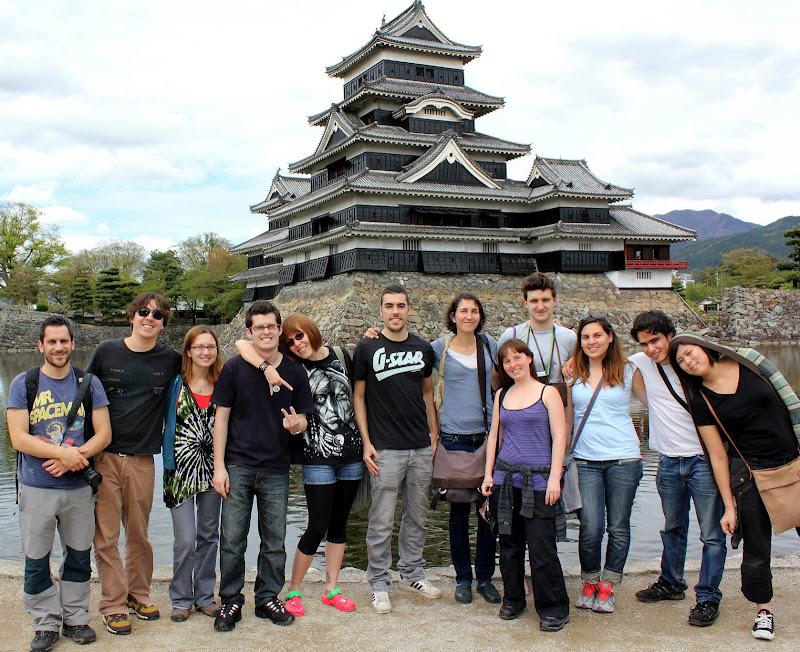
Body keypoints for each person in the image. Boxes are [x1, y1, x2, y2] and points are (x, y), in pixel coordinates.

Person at [670, 333, 800, 641]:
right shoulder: (700, 399)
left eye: (690, 352)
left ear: (705, 347)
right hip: (752, 476)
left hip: (794, 463)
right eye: (681, 362)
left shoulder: (751, 361)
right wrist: (729, 506)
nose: (689, 361)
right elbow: (717, 455)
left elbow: (790, 400)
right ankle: (763, 612)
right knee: (756, 550)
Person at [236, 313, 364, 616]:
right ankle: (294, 588)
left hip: (351, 454)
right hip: (317, 455)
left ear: (311, 331)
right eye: (290, 340)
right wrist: (266, 366)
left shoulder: (342, 356)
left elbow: (359, 399)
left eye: (300, 336)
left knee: (339, 524)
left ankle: (332, 587)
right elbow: (242, 343)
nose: (296, 343)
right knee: (317, 524)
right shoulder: (293, 367)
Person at [6, 316, 112, 651]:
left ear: (72, 344)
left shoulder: (88, 383)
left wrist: (75, 455)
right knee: (36, 557)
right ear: (41, 345)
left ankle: (76, 618)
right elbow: (18, 438)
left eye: (64, 341)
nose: (58, 347)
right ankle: (45, 623)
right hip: (36, 486)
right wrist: (61, 454)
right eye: (51, 341)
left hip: (78, 488)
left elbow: (105, 434)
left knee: (79, 555)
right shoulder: (24, 383)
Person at [211, 300, 313, 632]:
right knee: (232, 539)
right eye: (259, 327)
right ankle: (230, 599)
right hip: (238, 464)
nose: (266, 332)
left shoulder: (296, 371)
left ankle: (268, 596)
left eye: (271, 326)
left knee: (274, 538)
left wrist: (296, 425)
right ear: (249, 332)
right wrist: (219, 467)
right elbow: (221, 420)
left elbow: (304, 421)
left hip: (276, 468)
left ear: (279, 330)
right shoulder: (234, 369)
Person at [87, 292, 182, 635]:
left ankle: (137, 594)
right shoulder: (106, 351)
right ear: (132, 316)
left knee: (139, 533)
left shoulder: (170, 359)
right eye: (144, 312)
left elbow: (211, 361)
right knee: (107, 535)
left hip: (143, 458)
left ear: (163, 324)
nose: (149, 318)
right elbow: (83, 398)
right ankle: (112, 603)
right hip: (105, 457)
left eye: (157, 315)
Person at [628, 312, 726, 627]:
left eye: (655, 340)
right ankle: (671, 582)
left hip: (704, 462)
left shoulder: (693, 361)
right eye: (644, 343)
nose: (651, 348)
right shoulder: (641, 362)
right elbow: (603, 359)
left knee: (712, 533)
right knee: (673, 526)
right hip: (668, 460)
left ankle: (708, 597)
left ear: (671, 335)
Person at [353, 285, 440, 614]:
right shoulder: (367, 347)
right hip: (385, 448)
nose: (395, 311)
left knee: (417, 515)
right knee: (381, 519)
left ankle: (413, 571)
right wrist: (366, 442)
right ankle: (378, 581)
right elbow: (359, 397)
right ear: (381, 310)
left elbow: (428, 394)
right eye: (389, 306)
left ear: (409, 309)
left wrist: (435, 433)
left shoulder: (423, 348)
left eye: (400, 305)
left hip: (420, 445)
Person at [481, 338, 570, 632]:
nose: (513, 364)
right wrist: (488, 475)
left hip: (541, 480)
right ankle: (514, 599)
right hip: (506, 480)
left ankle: (553, 607)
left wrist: (556, 477)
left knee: (542, 548)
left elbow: (560, 437)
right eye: (507, 361)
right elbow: (494, 436)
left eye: (517, 357)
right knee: (508, 546)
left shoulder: (548, 393)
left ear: (529, 359)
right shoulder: (502, 395)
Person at [569, 315, 646, 614]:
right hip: (585, 460)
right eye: (586, 337)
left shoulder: (628, 370)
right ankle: (589, 581)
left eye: (597, 335)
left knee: (618, 526)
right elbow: (566, 414)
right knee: (590, 526)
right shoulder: (572, 370)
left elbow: (656, 402)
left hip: (624, 458)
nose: (591, 341)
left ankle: (608, 585)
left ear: (610, 336)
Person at [431, 293, 500, 605]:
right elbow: (407, 353)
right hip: (452, 438)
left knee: (487, 514)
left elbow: (512, 372)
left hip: (486, 437)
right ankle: (463, 578)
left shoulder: (490, 346)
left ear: (480, 316)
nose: (469, 316)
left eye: (474, 311)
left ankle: (485, 577)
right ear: (453, 316)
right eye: (463, 311)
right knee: (458, 515)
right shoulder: (438, 348)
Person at [162, 326, 224, 623]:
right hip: (181, 471)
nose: (205, 352)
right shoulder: (175, 384)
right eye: (199, 347)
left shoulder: (224, 383)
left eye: (210, 347)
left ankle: (204, 596)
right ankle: (181, 597)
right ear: (188, 351)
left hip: (215, 469)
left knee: (209, 535)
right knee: (185, 539)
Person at [498, 272, 576, 406]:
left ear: (554, 301)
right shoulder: (511, 336)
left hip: (559, 411)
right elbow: (500, 378)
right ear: (525, 303)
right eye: (534, 301)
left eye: (545, 300)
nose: (540, 306)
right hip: (522, 411)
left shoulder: (569, 338)